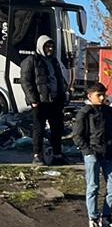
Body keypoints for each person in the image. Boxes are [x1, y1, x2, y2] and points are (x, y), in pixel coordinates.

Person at [71, 81, 112, 227]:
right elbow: (77, 135)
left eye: (103, 94)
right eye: (98, 95)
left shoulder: (110, 112)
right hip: (93, 153)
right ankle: (93, 218)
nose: (102, 97)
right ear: (89, 96)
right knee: (93, 187)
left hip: (110, 153)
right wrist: (88, 151)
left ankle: (106, 217)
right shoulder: (84, 113)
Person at [20, 36, 67, 165]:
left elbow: (59, 80)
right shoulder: (31, 61)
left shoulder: (54, 61)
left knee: (57, 129)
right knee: (38, 129)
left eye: (51, 46)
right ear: (41, 46)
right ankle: (37, 155)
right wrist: (33, 100)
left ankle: (57, 155)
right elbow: (26, 81)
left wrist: (63, 96)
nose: (50, 49)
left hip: (55, 101)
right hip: (40, 102)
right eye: (47, 46)